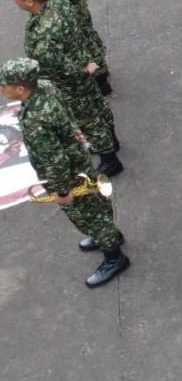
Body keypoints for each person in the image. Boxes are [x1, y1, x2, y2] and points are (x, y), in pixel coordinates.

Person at [1, 58, 129, 287]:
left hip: (69, 174)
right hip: (77, 161)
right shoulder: (45, 86)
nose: (2, 89)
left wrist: (62, 191)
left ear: (20, 89)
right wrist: (73, 130)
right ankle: (110, 236)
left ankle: (114, 257)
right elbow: (65, 109)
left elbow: (54, 159)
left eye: (4, 85)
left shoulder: (35, 120)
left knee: (89, 213)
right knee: (95, 207)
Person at [5, 0, 121, 177]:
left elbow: (60, 66)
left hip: (69, 82)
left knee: (88, 120)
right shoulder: (58, 2)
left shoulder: (42, 34)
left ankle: (109, 159)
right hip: (84, 64)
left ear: (29, 1)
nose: (15, 1)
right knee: (99, 106)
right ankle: (113, 142)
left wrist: (81, 71)